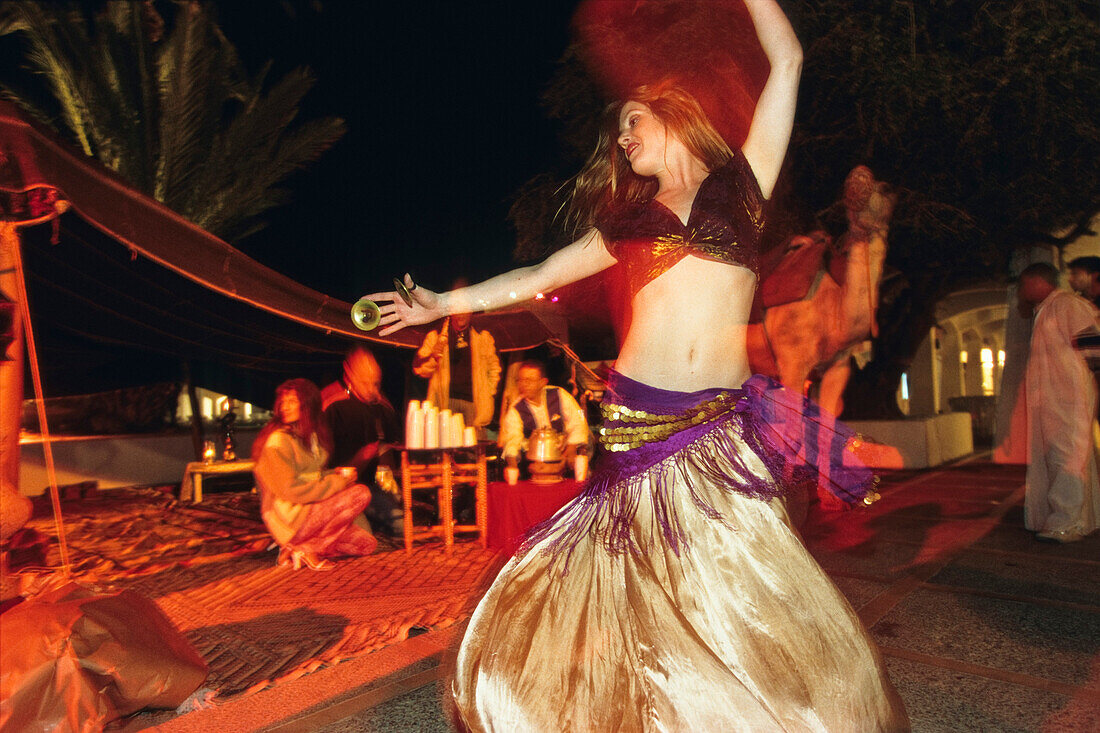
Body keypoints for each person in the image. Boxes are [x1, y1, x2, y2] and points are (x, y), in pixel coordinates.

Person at [368, 0, 907, 728]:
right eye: (618, 128)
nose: (621, 137)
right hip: (635, 420)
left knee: (740, 576)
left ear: (675, 116)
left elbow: (788, 60)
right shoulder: (626, 219)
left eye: (633, 121)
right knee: (632, 578)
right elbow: (539, 271)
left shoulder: (742, 190)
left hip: (718, 421)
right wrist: (442, 305)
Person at [252, 379, 377, 570]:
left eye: (292, 401)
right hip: (290, 518)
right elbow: (291, 490)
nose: (285, 407)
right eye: (283, 402)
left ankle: (300, 548)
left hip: (310, 511)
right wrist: (337, 482)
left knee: (366, 544)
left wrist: (331, 474)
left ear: (308, 404)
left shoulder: (309, 436)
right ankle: (307, 548)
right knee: (361, 493)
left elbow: (309, 475)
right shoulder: (277, 441)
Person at [1017, 262, 1100, 543]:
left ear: (1037, 281)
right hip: (1053, 402)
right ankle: (1059, 518)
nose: (1021, 291)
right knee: (1056, 458)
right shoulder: (1047, 310)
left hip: (1069, 400)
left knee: (1067, 458)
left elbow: (1093, 347)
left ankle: (1067, 523)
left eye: (1023, 284)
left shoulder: (1068, 305)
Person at [322, 346, 403, 535]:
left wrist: (393, 487)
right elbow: (318, 468)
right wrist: (360, 458)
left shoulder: (382, 405)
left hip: (368, 487)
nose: (372, 390)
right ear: (348, 373)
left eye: (376, 383)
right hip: (335, 491)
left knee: (402, 527)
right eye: (366, 383)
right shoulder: (329, 404)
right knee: (362, 534)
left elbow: (390, 452)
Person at [412, 307, 501, 434]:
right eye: (456, 309)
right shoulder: (436, 336)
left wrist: (488, 393)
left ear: (471, 311)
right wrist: (434, 356)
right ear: (450, 312)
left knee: (474, 449)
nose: (460, 314)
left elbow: (495, 368)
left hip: (474, 406)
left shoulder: (483, 336)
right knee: (446, 449)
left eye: (464, 309)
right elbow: (419, 369)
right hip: (446, 404)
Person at [499, 360, 590, 476]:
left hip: (565, 450)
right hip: (535, 459)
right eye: (520, 380)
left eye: (529, 380)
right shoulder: (516, 409)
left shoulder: (559, 395)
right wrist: (512, 467)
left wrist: (571, 449)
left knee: (584, 449)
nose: (524, 385)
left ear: (543, 382)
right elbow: (512, 441)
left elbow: (578, 420)